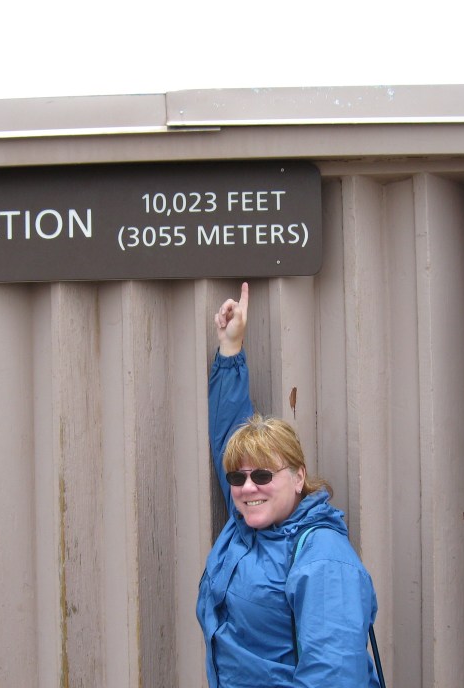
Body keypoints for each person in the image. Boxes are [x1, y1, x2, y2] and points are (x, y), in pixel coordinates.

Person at [197, 282, 380, 688]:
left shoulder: (323, 559)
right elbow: (230, 431)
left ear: (298, 477)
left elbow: (334, 679)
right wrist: (231, 348)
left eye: (263, 474)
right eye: (238, 477)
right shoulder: (249, 522)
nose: (248, 487)